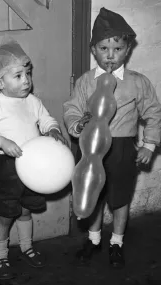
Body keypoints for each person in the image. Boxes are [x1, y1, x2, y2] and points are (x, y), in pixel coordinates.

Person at [64, 7, 161, 269]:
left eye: (117, 49)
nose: (110, 55)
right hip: (91, 148)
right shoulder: (86, 81)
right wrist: (76, 125)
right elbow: (72, 108)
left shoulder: (137, 82)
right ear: (93, 49)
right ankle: (93, 239)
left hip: (121, 149)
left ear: (127, 50)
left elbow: (153, 111)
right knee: (93, 195)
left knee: (120, 198)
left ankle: (116, 242)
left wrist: (149, 145)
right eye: (104, 48)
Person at [0, 37, 69, 280]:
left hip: (35, 167)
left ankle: (26, 246)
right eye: (17, 76)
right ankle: (0, 255)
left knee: (26, 210)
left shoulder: (32, 101)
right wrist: (1, 142)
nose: (26, 80)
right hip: (7, 168)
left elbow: (46, 118)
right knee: (5, 214)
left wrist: (53, 129)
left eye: (28, 73)